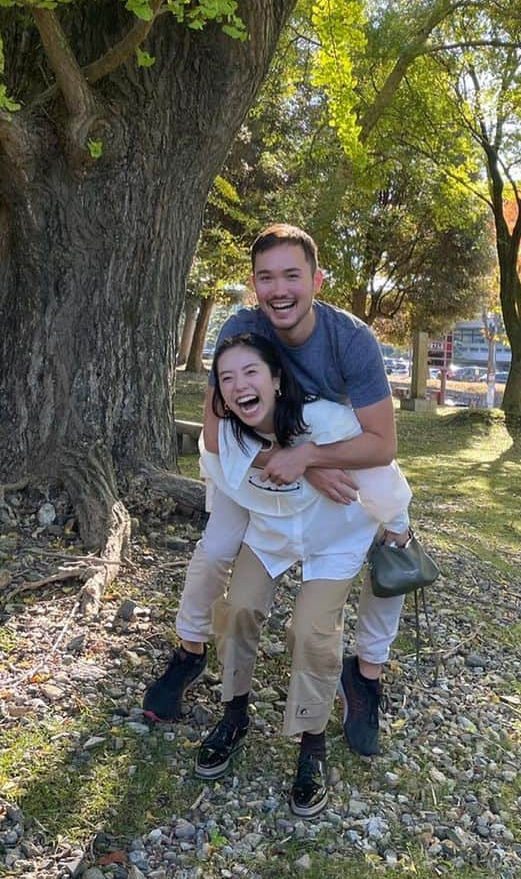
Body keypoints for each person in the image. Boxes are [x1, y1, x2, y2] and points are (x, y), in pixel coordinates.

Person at [144, 224, 405, 756]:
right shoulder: (243, 332)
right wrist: (297, 465)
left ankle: (367, 675)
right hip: (262, 464)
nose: (279, 289)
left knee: (393, 543)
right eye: (267, 278)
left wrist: (309, 456)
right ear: (253, 285)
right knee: (216, 552)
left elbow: (381, 443)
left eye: (292, 275)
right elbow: (218, 435)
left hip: (338, 447)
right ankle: (191, 650)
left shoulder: (351, 340)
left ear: (317, 279)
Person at [196, 334, 412, 815]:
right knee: (238, 611)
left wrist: (396, 523)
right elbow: (215, 463)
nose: (239, 386)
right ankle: (234, 715)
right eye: (226, 380)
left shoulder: (326, 420)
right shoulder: (227, 434)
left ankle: (311, 744)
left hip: (336, 536)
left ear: (276, 379)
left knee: (312, 631)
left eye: (250, 373)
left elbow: (379, 465)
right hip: (272, 534)